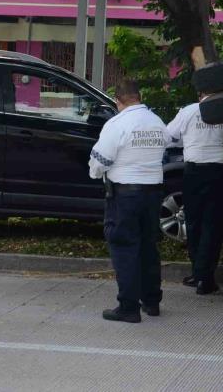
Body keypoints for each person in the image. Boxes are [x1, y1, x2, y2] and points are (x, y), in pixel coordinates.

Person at [88, 78, 171, 323]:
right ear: (140, 95)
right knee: (148, 246)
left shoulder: (117, 123)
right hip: (153, 193)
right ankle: (152, 301)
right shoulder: (157, 122)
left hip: (125, 195)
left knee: (124, 247)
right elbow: (167, 145)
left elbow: (100, 161)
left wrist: (95, 173)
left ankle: (128, 307)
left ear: (118, 100)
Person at [166, 92, 223, 294]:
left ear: (200, 94)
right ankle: (205, 278)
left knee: (193, 222)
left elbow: (170, 136)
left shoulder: (189, 111)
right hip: (220, 170)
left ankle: (197, 274)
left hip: (194, 171)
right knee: (212, 223)